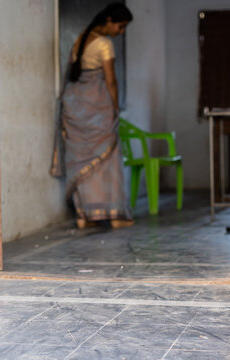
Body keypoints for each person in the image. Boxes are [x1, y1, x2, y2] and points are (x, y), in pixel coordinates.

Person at [50, 3, 134, 229]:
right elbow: (111, 81)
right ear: (108, 20)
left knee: (82, 164)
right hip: (97, 109)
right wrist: (114, 109)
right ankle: (115, 216)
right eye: (121, 26)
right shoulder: (104, 44)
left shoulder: (80, 39)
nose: (121, 32)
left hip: (74, 109)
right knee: (108, 162)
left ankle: (83, 216)